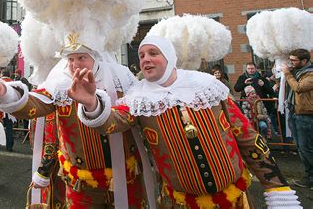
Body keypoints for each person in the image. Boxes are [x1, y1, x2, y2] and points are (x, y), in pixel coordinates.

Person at [77, 36, 301, 208]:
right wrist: (91, 104)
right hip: (180, 203)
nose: (145, 59)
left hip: (233, 200)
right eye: (141, 55)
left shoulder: (205, 85)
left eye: (153, 53)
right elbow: (111, 123)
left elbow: (246, 136)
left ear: (169, 58)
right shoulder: (138, 98)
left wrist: (276, 186)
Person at [0, 45, 153, 208]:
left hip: (127, 181)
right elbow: (32, 105)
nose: (75, 64)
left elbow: (130, 119)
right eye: (70, 59)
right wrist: (0, 90)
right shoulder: (60, 84)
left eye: (82, 57)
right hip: (81, 186)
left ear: (96, 58)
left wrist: (93, 105)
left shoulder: (121, 79)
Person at [282, 48, 313, 190]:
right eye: (291, 60)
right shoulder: (296, 72)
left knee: (306, 148)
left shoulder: (310, 74)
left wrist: (287, 74)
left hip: (306, 116)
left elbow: (298, 87)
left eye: (294, 60)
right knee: (301, 148)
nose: (291, 63)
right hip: (295, 113)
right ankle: (309, 176)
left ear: (305, 61)